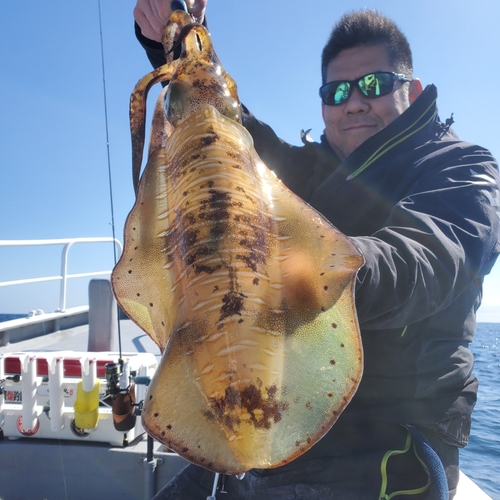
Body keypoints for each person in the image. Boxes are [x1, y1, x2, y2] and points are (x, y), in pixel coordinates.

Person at [133, 1, 500, 498]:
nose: (353, 102)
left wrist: (313, 266)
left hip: (383, 444)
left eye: (373, 85)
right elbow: (239, 138)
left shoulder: (462, 168)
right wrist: (180, 40)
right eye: (336, 91)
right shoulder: (311, 172)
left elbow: (433, 257)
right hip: (268, 405)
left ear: (411, 92)